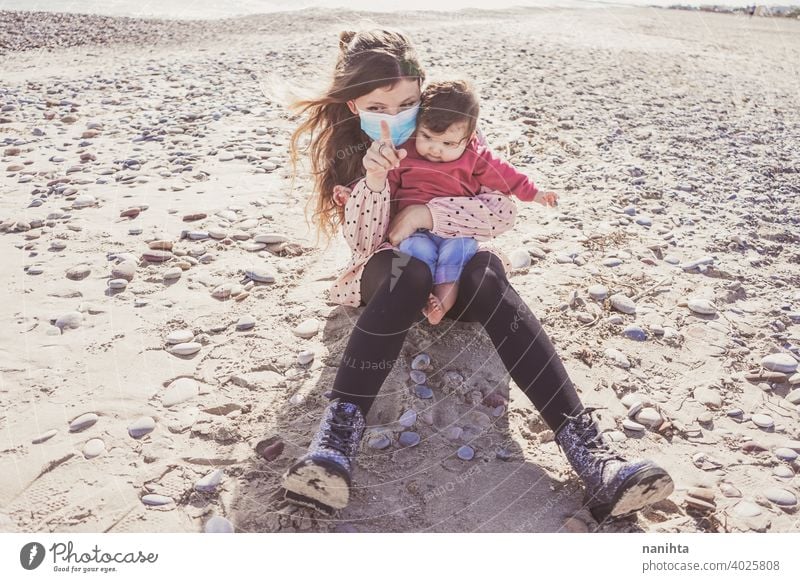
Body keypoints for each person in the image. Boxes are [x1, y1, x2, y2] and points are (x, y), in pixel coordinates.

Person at [281, 27, 674, 523]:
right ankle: (333, 446)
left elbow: (501, 213)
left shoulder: (450, 123)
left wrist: (427, 215)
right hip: (390, 277)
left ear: (421, 87)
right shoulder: (346, 149)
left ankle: (592, 455)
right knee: (409, 271)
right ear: (354, 106)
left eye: (404, 103)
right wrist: (375, 181)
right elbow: (363, 244)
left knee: (487, 269)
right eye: (376, 108)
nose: (392, 119)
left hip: (452, 267)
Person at [382, 79, 559, 325]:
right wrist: (353, 193)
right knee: (414, 251)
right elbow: (385, 186)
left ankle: (441, 304)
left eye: (448, 144)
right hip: (415, 231)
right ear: (417, 125)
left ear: (469, 138)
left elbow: (506, 176)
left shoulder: (474, 157)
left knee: (460, 251)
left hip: (456, 229)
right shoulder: (405, 151)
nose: (435, 149)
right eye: (427, 137)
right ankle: (421, 296)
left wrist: (536, 193)